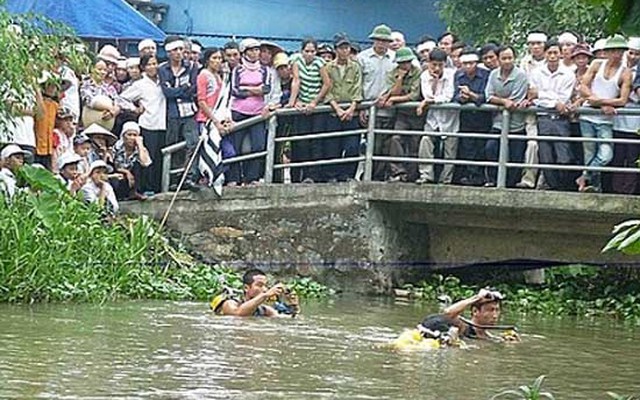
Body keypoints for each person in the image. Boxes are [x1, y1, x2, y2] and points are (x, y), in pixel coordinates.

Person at [578, 34, 632, 193]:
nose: (617, 55)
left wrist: (599, 102)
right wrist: (596, 100)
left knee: (606, 155)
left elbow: (623, 100)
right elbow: (583, 86)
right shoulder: (596, 64)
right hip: (587, 115)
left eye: (620, 51)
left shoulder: (625, 72)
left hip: (605, 119)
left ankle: (585, 177)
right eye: (614, 51)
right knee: (589, 153)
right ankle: (593, 187)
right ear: (606, 52)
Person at [529, 39, 576, 191]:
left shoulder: (568, 74)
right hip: (543, 118)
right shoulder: (536, 73)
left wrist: (544, 96)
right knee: (546, 156)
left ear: (561, 54)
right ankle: (552, 186)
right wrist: (554, 102)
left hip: (561, 120)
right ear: (545, 54)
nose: (553, 56)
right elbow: (533, 97)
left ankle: (564, 187)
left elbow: (564, 98)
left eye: (556, 53)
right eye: (550, 53)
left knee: (564, 157)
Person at [120, 54, 167, 194]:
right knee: (148, 158)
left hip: (163, 124)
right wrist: (135, 109)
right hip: (148, 124)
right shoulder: (140, 85)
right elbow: (122, 98)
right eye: (149, 64)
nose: (153, 67)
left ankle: (158, 187)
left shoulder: (163, 81)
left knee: (160, 158)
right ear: (143, 68)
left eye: (155, 63)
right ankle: (146, 187)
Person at [158, 35, 200, 190]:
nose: (179, 53)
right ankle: (174, 179)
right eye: (175, 50)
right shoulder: (162, 69)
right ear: (169, 52)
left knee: (193, 143)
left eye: (181, 49)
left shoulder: (192, 66)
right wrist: (183, 89)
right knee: (174, 145)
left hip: (189, 111)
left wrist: (178, 90)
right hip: (173, 112)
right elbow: (167, 92)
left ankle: (189, 177)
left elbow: (193, 89)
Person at [484, 45, 529, 187]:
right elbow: (488, 96)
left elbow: (515, 101)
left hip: (516, 124)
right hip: (497, 122)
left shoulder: (521, 75)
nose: (507, 61)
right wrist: (503, 100)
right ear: (499, 59)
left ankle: (510, 184)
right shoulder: (493, 74)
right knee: (491, 148)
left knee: (515, 156)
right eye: (504, 58)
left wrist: (500, 100)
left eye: (510, 58)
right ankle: (493, 180)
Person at [288, 37, 331, 183]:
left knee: (316, 142)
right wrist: (293, 102)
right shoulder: (296, 61)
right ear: (302, 51)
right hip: (302, 106)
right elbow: (296, 80)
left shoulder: (320, 63)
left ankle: (313, 176)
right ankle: (300, 175)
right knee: (301, 142)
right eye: (307, 51)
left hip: (317, 106)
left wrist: (314, 102)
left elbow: (326, 84)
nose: (310, 54)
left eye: (312, 51)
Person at [230, 38, 272, 185]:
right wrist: (255, 90)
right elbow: (235, 91)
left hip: (257, 112)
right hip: (238, 111)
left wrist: (247, 89)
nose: (255, 53)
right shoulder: (238, 69)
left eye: (257, 50)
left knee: (259, 145)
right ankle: (234, 178)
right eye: (252, 50)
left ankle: (251, 177)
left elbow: (266, 89)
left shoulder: (264, 69)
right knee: (235, 146)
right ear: (244, 52)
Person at [377, 47, 422, 182]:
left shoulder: (417, 72)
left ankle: (412, 175)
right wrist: (400, 78)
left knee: (415, 144)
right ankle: (397, 171)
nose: (405, 65)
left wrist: (393, 99)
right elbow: (394, 92)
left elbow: (414, 95)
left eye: (408, 62)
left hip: (416, 114)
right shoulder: (393, 73)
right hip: (402, 114)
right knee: (396, 138)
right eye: (402, 62)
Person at [324, 33, 363, 182]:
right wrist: (337, 109)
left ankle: (347, 175)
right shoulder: (327, 67)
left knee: (353, 145)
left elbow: (357, 89)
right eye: (341, 48)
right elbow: (327, 90)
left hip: (351, 112)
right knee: (332, 145)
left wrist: (352, 107)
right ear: (336, 50)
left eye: (347, 47)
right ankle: (332, 176)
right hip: (334, 112)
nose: (345, 51)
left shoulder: (355, 67)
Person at [416, 48, 459, 185]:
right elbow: (428, 95)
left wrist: (429, 101)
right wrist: (434, 82)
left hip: (450, 119)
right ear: (429, 63)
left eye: (440, 65)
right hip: (433, 118)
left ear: (445, 64)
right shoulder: (424, 76)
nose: (437, 68)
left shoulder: (452, 75)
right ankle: (426, 174)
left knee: (450, 148)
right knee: (425, 141)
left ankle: (446, 179)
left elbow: (448, 96)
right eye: (434, 64)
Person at [454, 48, 491, 186]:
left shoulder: (486, 75)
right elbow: (454, 96)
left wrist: (471, 95)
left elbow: (486, 97)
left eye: (471, 63)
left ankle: (482, 176)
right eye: (465, 63)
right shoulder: (458, 75)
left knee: (482, 147)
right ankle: (471, 176)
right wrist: (462, 98)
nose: (468, 66)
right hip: (466, 118)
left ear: (476, 62)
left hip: (483, 118)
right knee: (468, 148)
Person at [215, 269, 300, 317]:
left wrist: (294, 305)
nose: (264, 289)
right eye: (259, 285)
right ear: (246, 288)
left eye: (265, 286)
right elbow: (238, 314)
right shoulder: (230, 304)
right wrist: (265, 295)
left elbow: (286, 319)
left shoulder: (264, 310)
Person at [441, 288, 516, 340]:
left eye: (497, 310)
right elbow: (448, 313)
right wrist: (477, 298)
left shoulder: (490, 337)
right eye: (490, 310)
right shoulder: (463, 327)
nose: (495, 315)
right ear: (475, 311)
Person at [113, 121, 152, 200]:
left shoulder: (140, 149)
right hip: (121, 175)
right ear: (123, 136)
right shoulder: (117, 147)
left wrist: (140, 145)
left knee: (139, 164)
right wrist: (127, 172)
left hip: (135, 177)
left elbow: (145, 163)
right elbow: (113, 164)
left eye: (134, 135)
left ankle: (136, 192)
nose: (132, 138)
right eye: (129, 135)